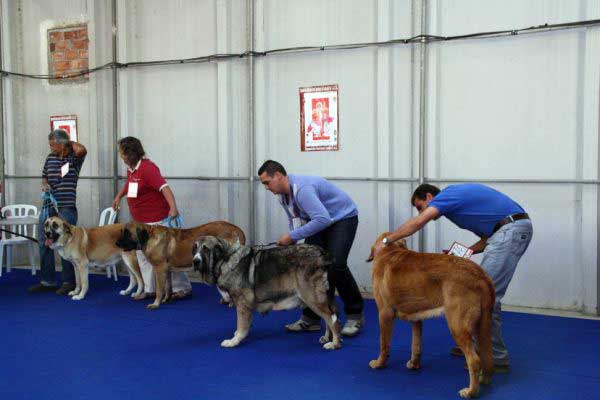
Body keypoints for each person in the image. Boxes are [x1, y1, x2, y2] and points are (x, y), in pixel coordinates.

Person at [373, 183, 533, 371]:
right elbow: (487, 238)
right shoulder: (455, 209)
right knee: (483, 295)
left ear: (429, 197)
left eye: (419, 207)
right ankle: (473, 345)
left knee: (488, 297)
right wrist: (465, 252)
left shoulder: (446, 197)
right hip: (507, 231)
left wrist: (386, 241)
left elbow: (417, 223)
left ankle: (495, 358)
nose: (420, 213)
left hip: (511, 230)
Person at [257, 160, 364, 336]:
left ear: (278, 175)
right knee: (307, 266)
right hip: (322, 221)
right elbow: (295, 220)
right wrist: (293, 241)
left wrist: (292, 236)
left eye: (267, 182)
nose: (266, 188)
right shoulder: (283, 195)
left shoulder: (303, 189)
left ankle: (355, 315)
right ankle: (311, 318)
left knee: (336, 265)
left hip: (342, 218)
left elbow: (322, 219)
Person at [112, 136, 192, 300]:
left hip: (156, 221)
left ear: (130, 154)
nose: (120, 156)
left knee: (167, 256)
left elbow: (165, 188)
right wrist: (119, 196)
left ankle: (182, 288)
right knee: (143, 256)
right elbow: (129, 185)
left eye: (122, 153)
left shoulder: (148, 169)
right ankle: (151, 289)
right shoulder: (132, 170)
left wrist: (173, 208)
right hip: (141, 223)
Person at [28, 129, 87, 295]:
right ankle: (48, 281)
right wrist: (45, 184)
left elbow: (82, 149)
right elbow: (44, 175)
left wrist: (68, 142)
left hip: (66, 206)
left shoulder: (74, 158)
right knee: (43, 239)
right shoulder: (50, 157)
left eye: (53, 145)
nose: (51, 148)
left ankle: (69, 281)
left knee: (67, 241)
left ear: (62, 144)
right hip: (49, 205)